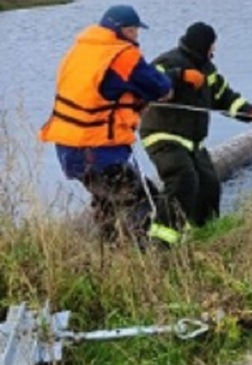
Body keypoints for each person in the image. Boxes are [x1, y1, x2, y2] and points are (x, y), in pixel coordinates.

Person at [38, 5, 180, 244]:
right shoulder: (123, 55)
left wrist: (130, 102)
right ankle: (157, 259)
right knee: (144, 202)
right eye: (134, 31)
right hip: (99, 149)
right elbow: (160, 87)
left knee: (107, 203)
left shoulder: (80, 51)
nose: (137, 36)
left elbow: (98, 93)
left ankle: (111, 255)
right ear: (123, 30)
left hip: (67, 147)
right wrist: (173, 77)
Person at [139, 22, 252, 231]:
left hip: (192, 141)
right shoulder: (168, 61)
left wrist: (249, 112)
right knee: (182, 179)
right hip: (162, 135)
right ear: (202, 46)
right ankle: (162, 241)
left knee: (209, 185)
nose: (214, 51)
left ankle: (204, 232)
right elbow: (149, 82)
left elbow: (224, 96)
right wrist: (180, 75)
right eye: (212, 46)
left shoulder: (208, 69)